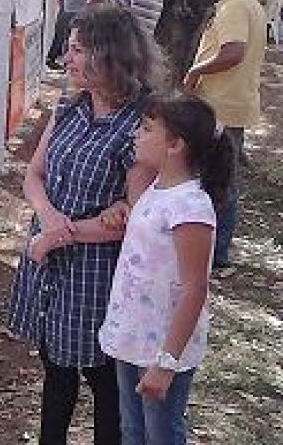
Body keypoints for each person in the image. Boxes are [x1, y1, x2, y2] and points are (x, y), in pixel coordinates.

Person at [8, 5, 163, 445]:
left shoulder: (141, 124)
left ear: (109, 55)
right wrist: (49, 220)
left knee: (104, 379)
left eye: (77, 50)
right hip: (49, 253)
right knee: (55, 368)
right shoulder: (68, 106)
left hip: (99, 272)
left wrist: (59, 236)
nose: (66, 59)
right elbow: (33, 175)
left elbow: (133, 217)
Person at [85, 93, 232, 445]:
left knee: (160, 433)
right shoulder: (155, 189)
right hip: (132, 336)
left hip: (162, 348)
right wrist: (119, 208)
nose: (136, 134)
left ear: (175, 145)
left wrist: (167, 362)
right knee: (132, 430)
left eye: (147, 129)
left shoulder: (190, 207)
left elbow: (195, 289)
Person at [182, 0, 267, 275]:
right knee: (221, 178)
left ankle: (216, 256)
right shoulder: (248, 4)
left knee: (220, 181)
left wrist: (195, 71)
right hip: (232, 103)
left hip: (221, 106)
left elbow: (233, 52)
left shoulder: (235, 8)